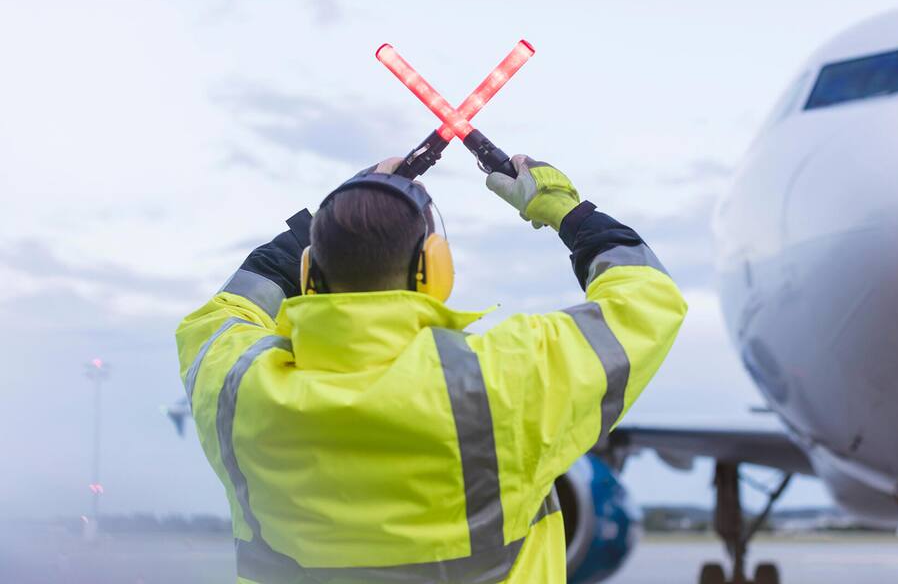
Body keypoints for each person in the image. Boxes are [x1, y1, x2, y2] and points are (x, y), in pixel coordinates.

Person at [176, 155, 687, 583]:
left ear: (309, 270)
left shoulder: (236, 387)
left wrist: (350, 205)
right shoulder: (506, 381)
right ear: (435, 268)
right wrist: (563, 208)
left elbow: (225, 311)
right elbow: (645, 297)